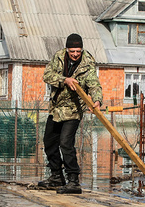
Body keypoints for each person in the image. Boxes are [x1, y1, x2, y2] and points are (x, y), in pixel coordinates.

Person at [38, 33, 103, 194]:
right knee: (49, 142)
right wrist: (64, 80)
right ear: (67, 50)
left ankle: (73, 180)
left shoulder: (87, 64)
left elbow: (94, 85)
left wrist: (97, 101)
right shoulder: (58, 57)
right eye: (72, 51)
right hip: (56, 108)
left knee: (66, 143)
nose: (75, 54)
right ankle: (56, 177)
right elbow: (47, 75)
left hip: (74, 109)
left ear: (82, 50)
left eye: (78, 51)